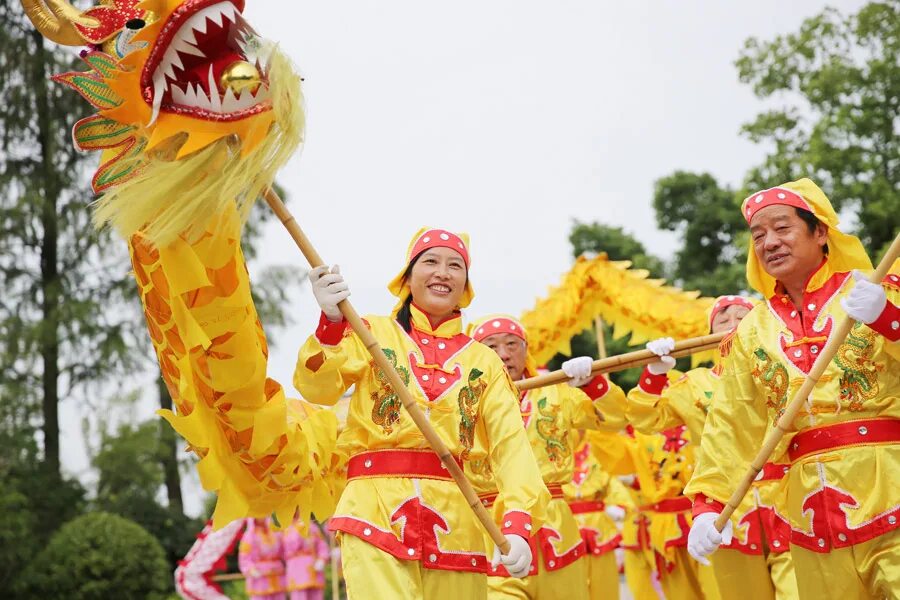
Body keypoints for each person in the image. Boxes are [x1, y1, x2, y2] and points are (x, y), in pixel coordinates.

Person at [293, 228, 550, 599]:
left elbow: (511, 446)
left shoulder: (485, 361)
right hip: (374, 508)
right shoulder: (370, 332)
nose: (443, 272)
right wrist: (331, 324)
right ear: (408, 278)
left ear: (465, 284)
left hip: (458, 519)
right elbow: (317, 387)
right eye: (431, 261)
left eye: (455, 265)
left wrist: (518, 523)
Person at [685, 178, 900, 598]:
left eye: (782, 228)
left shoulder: (874, 292)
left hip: (891, 485)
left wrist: (889, 318)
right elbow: (731, 423)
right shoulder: (750, 332)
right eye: (758, 235)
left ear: (820, 232)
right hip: (808, 514)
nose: (769, 243)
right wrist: (707, 505)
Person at [630, 297, 799, 599]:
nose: (734, 326)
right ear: (709, 335)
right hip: (724, 506)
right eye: (723, 321)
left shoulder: (785, 369)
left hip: (787, 497)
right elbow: (646, 418)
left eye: (743, 318)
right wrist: (655, 373)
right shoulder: (693, 384)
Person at [467, 314, 627, 599]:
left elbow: (615, 419)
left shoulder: (555, 392)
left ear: (526, 349)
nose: (503, 354)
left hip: (555, 524)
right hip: (493, 525)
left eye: (512, 344)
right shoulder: (462, 401)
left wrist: (593, 384)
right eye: (491, 346)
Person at [564, 429, 636, 600]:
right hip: (566, 528)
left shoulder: (596, 448)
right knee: (569, 587)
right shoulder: (547, 453)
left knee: (605, 587)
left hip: (600, 528)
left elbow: (611, 481)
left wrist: (616, 505)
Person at [282, 518, 331, 600]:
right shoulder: (287, 529)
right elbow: (291, 547)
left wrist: (322, 559)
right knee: (299, 596)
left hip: (314, 569)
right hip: (296, 570)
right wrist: (298, 529)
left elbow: (321, 545)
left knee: (316, 596)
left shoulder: (312, 527)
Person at [239, 517, 286, 600]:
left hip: (276, 573)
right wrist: (251, 570)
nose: (261, 518)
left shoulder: (275, 532)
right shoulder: (249, 536)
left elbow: (284, 550)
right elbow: (244, 556)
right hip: (260, 575)